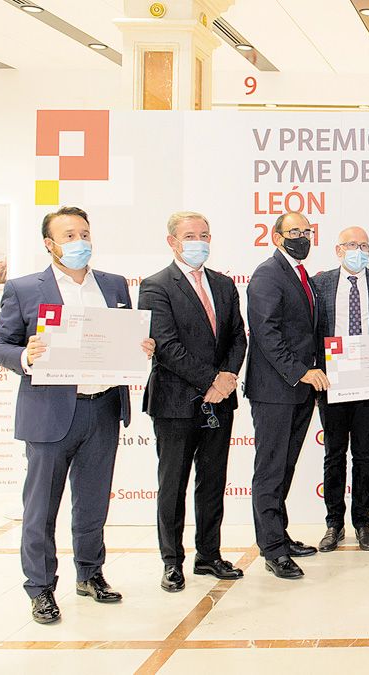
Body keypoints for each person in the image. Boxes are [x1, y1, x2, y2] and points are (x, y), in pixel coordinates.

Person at [0, 206, 153, 624]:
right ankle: (41, 588)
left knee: (93, 503)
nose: (79, 242)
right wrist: (26, 355)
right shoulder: (25, 288)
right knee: (41, 508)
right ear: (50, 244)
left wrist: (141, 348)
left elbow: (125, 337)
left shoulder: (114, 285)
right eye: (69, 235)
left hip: (102, 410)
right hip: (49, 415)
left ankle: (90, 573)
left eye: (84, 233)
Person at [139, 211, 247, 592]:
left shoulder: (223, 284)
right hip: (175, 402)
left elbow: (238, 337)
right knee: (173, 484)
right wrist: (211, 379)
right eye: (190, 235)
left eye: (204, 234)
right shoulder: (156, 286)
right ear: (172, 241)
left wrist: (226, 379)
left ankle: (209, 555)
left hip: (220, 400)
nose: (199, 241)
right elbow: (166, 346)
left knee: (213, 480)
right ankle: (172, 561)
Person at [245, 211, 329, 579]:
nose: (302, 236)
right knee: (270, 470)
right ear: (276, 237)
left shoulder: (301, 275)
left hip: (298, 393)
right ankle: (272, 549)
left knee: (285, 467)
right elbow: (267, 334)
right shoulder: (267, 274)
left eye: (307, 231)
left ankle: (279, 535)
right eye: (294, 231)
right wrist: (301, 372)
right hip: (275, 391)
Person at [312, 226, 369, 553]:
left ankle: (363, 522)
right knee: (334, 451)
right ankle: (333, 523)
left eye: (364, 245)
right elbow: (311, 332)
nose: (358, 250)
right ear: (338, 250)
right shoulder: (318, 284)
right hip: (332, 379)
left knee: (364, 450)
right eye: (352, 245)